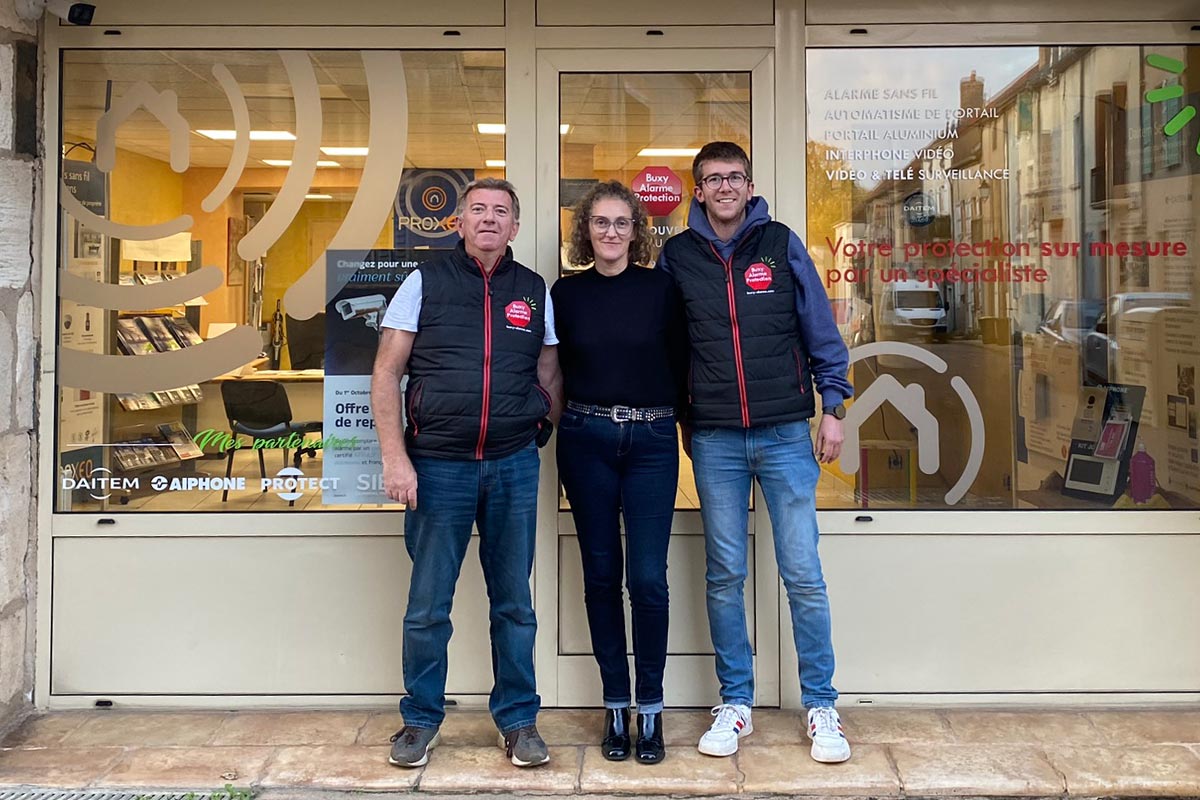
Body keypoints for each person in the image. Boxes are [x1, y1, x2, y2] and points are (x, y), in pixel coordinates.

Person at [657, 142, 854, 764]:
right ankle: (736, 702)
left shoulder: (781, 242)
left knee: (802, 574)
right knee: (724, 575)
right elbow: (668, 345)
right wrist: (679, 418)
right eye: (712, 179)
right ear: (698, 189)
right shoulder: (678, 256)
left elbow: (817, 323)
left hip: (785, 432)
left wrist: (835, 407)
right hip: (714, 437)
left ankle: (821, 705)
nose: (724, 187)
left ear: (749, 184)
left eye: (734, 177)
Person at [371, 177, 563, 769]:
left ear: (515, 227)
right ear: (458, 223)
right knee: (429, 604)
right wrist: (395, 456)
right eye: (477, 210)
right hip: (438, 468)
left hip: (511, 465)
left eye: (500, 212)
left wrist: (537, 430)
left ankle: (519, 719)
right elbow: (386, 372)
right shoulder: (424, 281)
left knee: (514, 603)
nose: (488, 219)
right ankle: (420, 720)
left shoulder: (532, 289)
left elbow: (550, 368)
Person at [551, 181, 687, 764]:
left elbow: (684, 363)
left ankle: (650, 707)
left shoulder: (662, 289)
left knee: (648, 580)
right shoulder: (565, 293)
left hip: (653, 440)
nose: (611, 232)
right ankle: (615, 702)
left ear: (637, 231)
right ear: (586, 231)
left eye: (622, 222)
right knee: (602, 576)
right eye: (600, 223)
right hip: (586, 438)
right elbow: (550, 368)